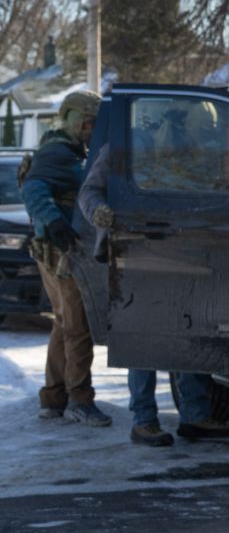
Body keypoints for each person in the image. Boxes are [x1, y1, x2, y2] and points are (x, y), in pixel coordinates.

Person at [80, 145, 226, 444]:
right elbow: (89, 192)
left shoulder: (199, 147)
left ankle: (195, 416)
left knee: (189, 330)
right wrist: (99, 212)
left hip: (189, 250)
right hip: (137, 249)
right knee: (143, 336)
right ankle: (144, 420)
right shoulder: (125, 147)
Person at [21, 89, 112, 427]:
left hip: (57, 251)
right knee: (78, 328)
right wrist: (55, 222)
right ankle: (79, 401)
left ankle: (53, 398)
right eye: (88, 124)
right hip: (62, 254)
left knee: (63, 324)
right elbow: (33, 189)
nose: (91, 130)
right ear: (75, 119)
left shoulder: (67, 148)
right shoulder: (59, 152)